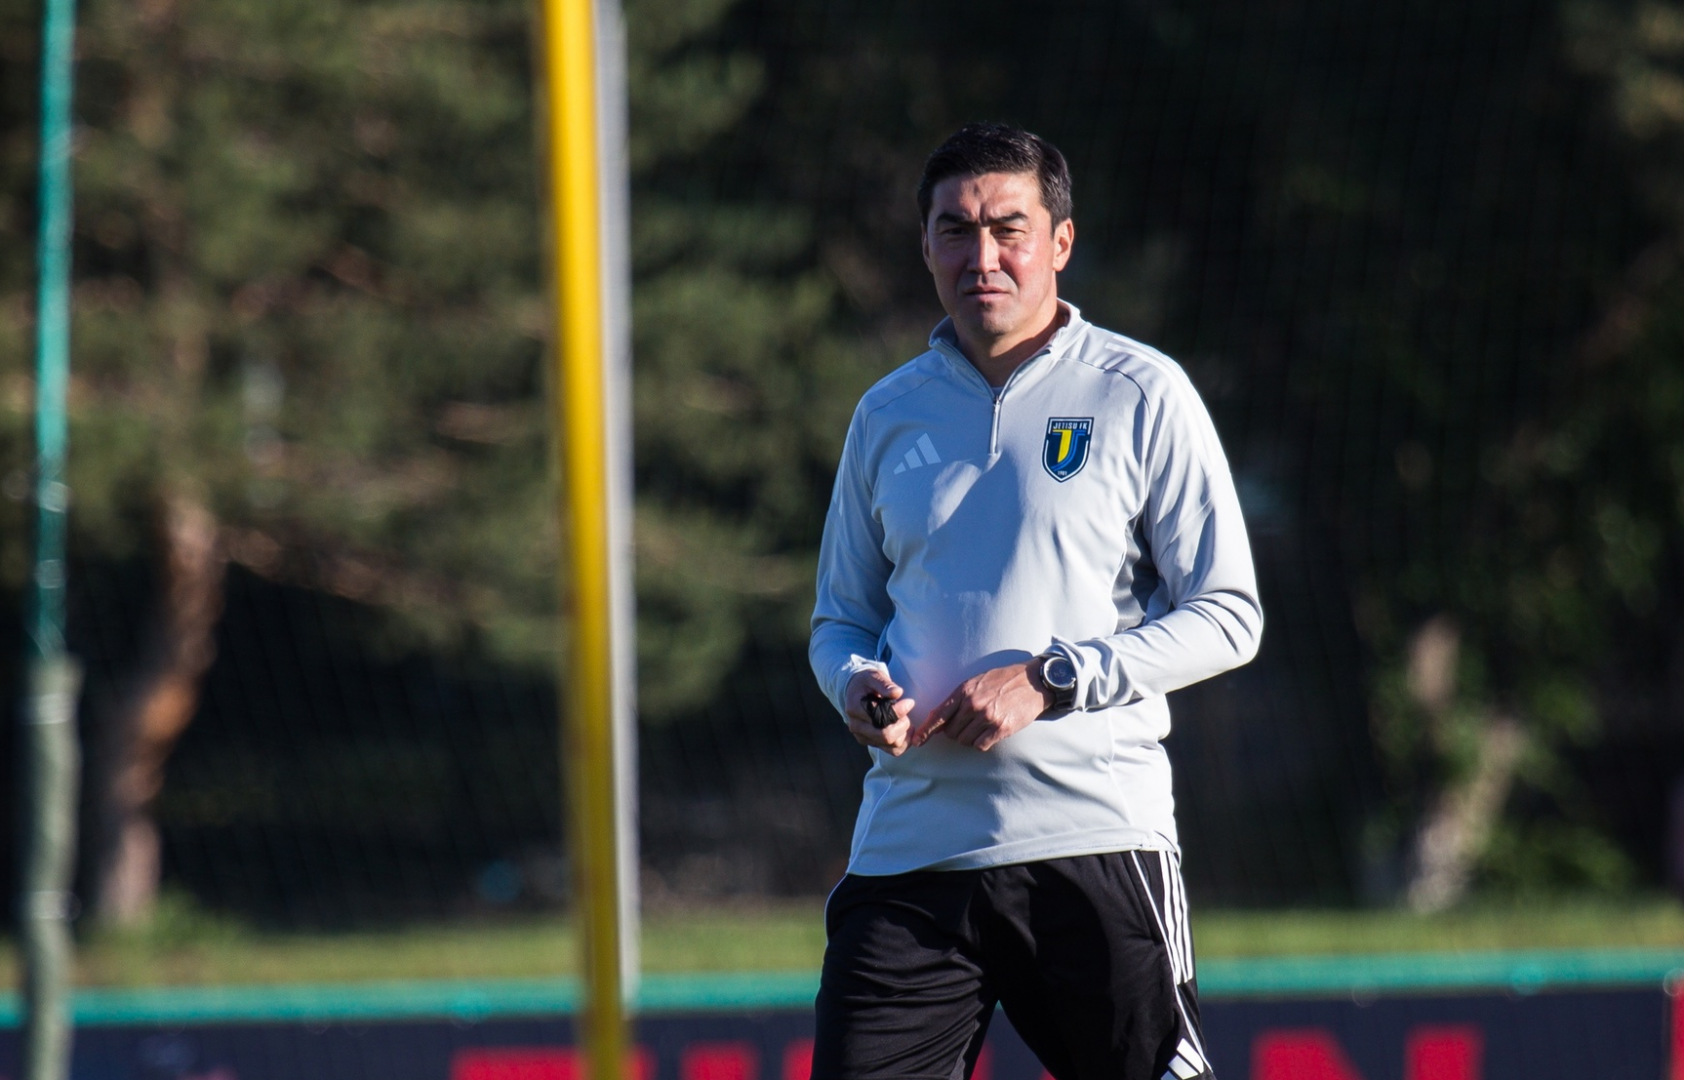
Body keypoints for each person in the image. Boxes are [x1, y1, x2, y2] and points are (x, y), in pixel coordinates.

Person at [807, 122, 1263, 1080]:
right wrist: (855, 684)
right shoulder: (885, 413)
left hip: (1094, 839)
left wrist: (1054, 679)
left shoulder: (1141, 392)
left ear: (1060, 241)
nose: (983, 257)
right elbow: (840, 620)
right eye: (955, 230)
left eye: (1008, 228)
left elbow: (1229, 615)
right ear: (925, 246)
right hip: (910, 857)